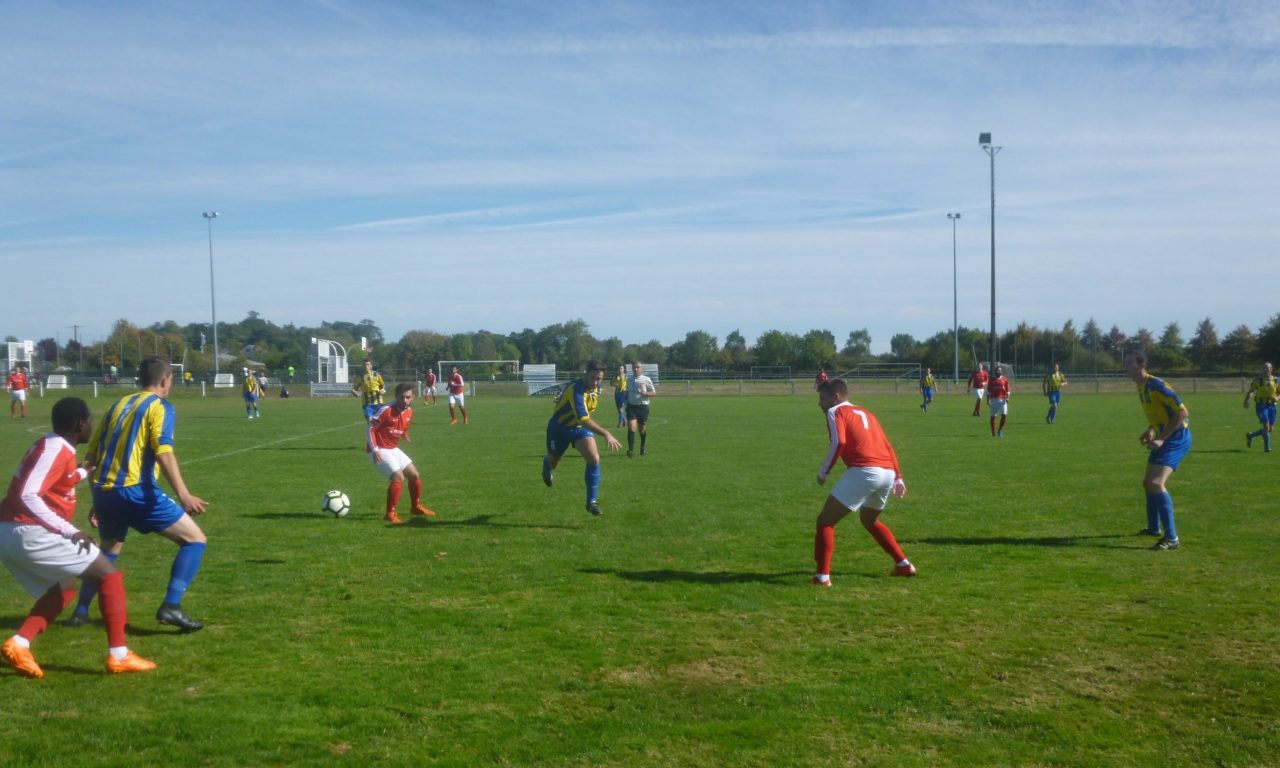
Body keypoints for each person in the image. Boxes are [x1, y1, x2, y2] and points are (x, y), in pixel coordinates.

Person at [0, 397, 155, 678]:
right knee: (108, 574)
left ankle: (19, 643)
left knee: (64, 588)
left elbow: (58, 480)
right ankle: (119, 655)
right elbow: (27, 495)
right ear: (79, 424)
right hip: (27, 531)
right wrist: (70, 530)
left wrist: (85, 471)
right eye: (89, 421)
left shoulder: (50, 445)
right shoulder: (55, 449)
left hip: (9, 532)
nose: (91, 426)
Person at [67, 357, 210, 632]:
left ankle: (81, 611)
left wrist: (97, 497)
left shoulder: (116, 405)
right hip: (136, 492)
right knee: (195, 540)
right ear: (166, 380)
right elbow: (163, 450)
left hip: (105, 492)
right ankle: (171, 605)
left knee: (109, 550)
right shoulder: (160, 407)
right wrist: (184, 494)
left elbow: (92, 456)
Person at [811, 378, 914, 586]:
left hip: (865, 471)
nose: (820, 404)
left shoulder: (836, 412)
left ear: (836, 397)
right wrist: (899, 477)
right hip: (886, 473)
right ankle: (903, 565)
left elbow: (839, 441)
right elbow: (887, 445)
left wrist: (824, 471)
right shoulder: (866, 412)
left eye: (822, 398)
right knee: (869, 520)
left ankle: (822, 577)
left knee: (825, 522)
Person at [1125, 349, 1189, 551]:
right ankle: (1154, 528)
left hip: (1177, 438)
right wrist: (1151, 430)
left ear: (1141, 365)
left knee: (1155, 483)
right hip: (1163, 436)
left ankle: (1172, 538)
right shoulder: (1141, 386)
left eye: (1129, 363)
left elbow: (1182, 413)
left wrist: (1162, 438)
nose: (1125, 366)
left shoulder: (1156, 385)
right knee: (1147, 483)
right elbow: (1160, 414)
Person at [541, 361, 622, 516]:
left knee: (594, 458)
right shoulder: (576, 390)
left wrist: (562, 397)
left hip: (578, 430)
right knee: (554, 462)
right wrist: (606, 433)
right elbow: (583, 419)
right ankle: (546, 465)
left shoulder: (596, 388)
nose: (595, 382)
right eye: (592, 377)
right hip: (559, 429)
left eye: (599, 379)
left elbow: (581, 419)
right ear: (586, 373)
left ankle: (591, 502)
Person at [368, 383, 435, 525]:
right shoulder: (386, 410)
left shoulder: (409, 412)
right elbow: (370, 430)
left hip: (393, 448)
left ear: (413, 397)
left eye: (408, 397)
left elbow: (404, 426)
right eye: (402, 397)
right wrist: (375, 450)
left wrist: (405, 434)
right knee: (398, 477)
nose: (405, 400)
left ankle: (415, 507)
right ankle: (390, 513)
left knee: (414, 475)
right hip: (379, 449)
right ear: (396, 396)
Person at [625, 361, 657, 457]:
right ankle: (631, 451)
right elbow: (626, 393)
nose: (635, 369)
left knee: (641, 430)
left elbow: (654, 392)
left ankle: (643, 446)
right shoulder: (628, 380)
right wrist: (623, 404)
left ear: (641, 368)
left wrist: (646, 393)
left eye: (637, 367)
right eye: (634, 367)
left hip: (643, 407)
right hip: (631, 407)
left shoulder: (646, 379)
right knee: (632, 428)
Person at [1244, 362, 1277, 453]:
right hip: (1261, 405)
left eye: (1267, 368)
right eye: (1264, 368)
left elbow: (1279, 393)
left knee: (1270, 429)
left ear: (1271, 369)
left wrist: (1277, 398)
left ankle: (1251, 435)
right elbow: (1251, 391)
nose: (1265, 370)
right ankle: (1267, 449)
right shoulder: (1258, 380)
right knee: (1266, 426)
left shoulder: (1276, 380)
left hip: (1272, 406)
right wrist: (1246, 400)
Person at [988, 366, 1010, 437]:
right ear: (995, 372)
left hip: (1002, 400)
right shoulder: (992, 380)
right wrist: (988, 400)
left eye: (999, 371)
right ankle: (993, 432)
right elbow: (988, 391)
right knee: (993, 416)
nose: (998, 372)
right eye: (997, 371)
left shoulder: (1005, 379)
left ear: (1001, 372)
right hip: (994, 400)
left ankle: (1000, 430)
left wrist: (1007, 398)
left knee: (1004, 415)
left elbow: (1008, 390)